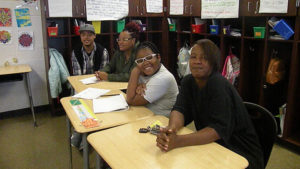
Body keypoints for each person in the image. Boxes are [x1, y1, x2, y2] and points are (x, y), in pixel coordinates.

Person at [156, 39, 264, 169]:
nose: (197, 61)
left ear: (214, 63)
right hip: (213, 146)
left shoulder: (218, 84)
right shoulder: (188, 82)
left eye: (204, 58)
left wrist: (178, 141)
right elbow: (180, 109)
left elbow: (217, 130)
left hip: (239, 154)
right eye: (193, 57)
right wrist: (171, 130)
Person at [126, 41, 178, 117]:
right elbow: (131, 94)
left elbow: (130, 100)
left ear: (158, 57)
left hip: (162, 122)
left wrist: (135, 71)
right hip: (143, 115)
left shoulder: (164, 78)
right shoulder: (144, 73)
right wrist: (138, 86)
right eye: (140, 61)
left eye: (149, 57)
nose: (145, 62)